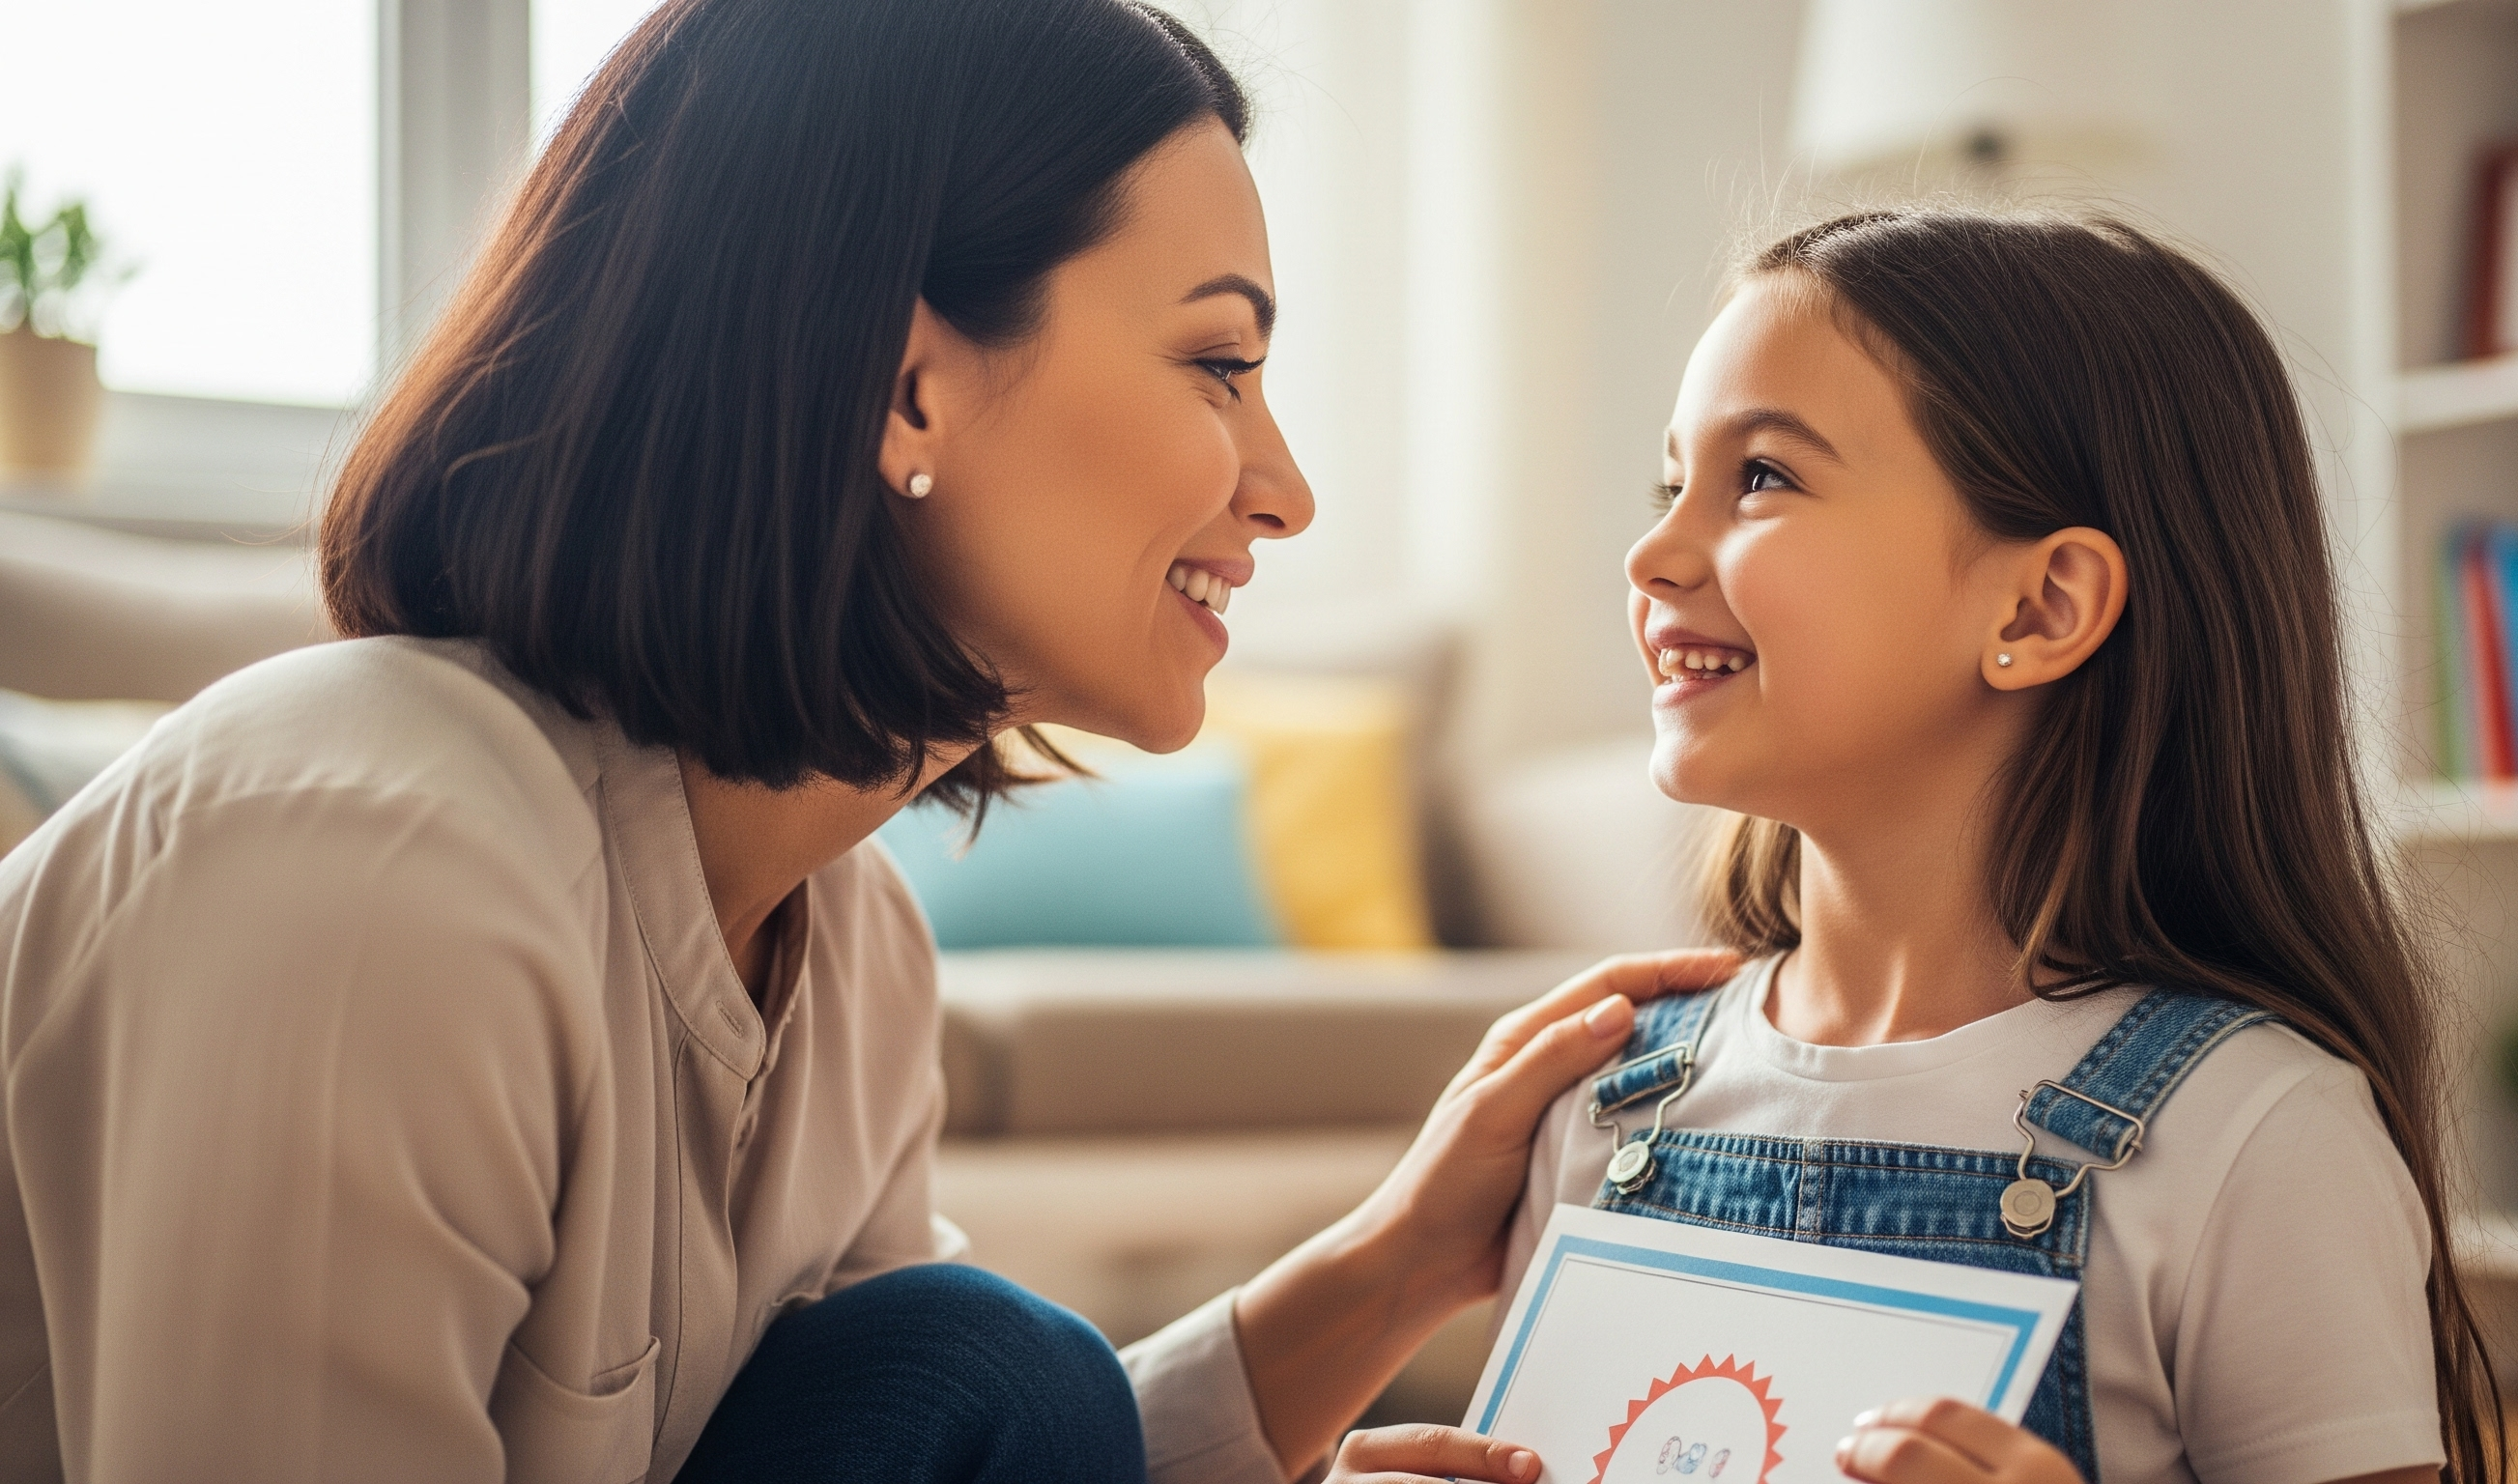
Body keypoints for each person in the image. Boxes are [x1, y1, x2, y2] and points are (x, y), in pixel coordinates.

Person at [0, 3, 1733, 1481]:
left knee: (978, 1364)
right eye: (1218, 362)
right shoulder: (371, 861)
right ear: (907, 389)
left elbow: (983, 1446)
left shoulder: (851, 950)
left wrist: (1406, 1257)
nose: (1283, 490)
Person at [1479, 210, 2505, 1484]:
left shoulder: (2256, 1137)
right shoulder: (1605, 1101)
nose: (1653, 551)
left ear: (2040, 606)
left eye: (1763, 479)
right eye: (1669, 482)